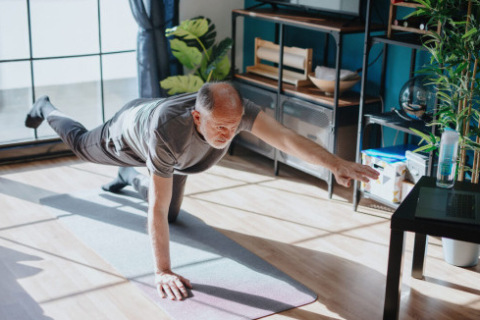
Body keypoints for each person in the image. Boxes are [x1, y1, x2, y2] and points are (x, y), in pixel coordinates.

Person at [25, 82, 379, 302]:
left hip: (177, 158)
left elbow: (286, 138)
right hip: (128, 133)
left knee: (176, 217)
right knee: (81, 146)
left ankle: (129, 178)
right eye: (220, 127)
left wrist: (335, 164)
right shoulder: (167, 132)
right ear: (197, 118)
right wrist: (162, 270)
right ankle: (47, 108)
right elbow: (156, 211)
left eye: (234, 126)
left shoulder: (236, 113)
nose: (228, 134)